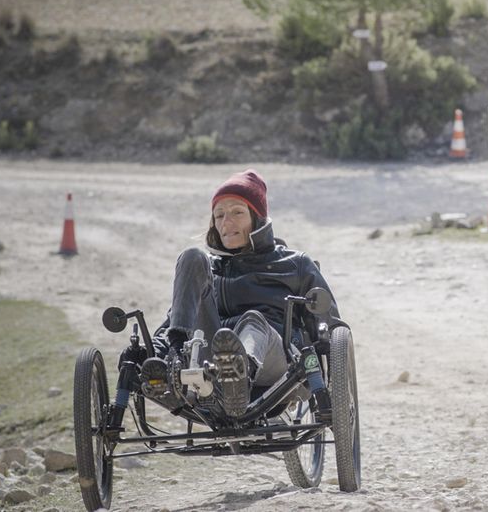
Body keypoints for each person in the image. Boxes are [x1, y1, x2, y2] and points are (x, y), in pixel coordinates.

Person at [137, 169, 341, 418]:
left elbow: (330, 327)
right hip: (210, 360)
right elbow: (176, 319)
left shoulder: (295, 264)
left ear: (257, 218)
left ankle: (240, 376)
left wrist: (327, 383)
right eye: (219, 215)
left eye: (237, 213)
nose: (226, 223)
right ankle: (174, 366)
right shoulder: (207, 267)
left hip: (273, 360)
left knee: (253, 320)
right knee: (191, 255)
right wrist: (153, 354)